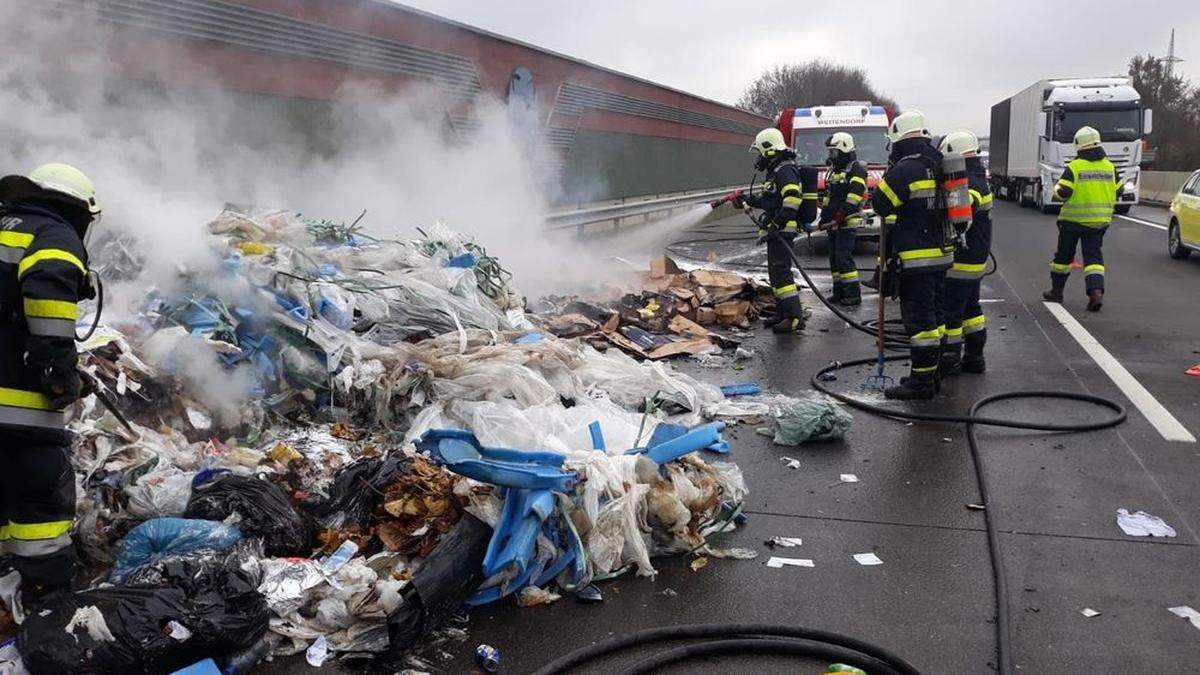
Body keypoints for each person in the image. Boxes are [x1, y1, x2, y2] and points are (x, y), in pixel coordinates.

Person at [0, 163, 100, 596]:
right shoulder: (54, 236)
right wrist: (58, 372)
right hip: (17, 415)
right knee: (41, 504)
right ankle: (47, 601)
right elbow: (47, 292)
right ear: (79, 212)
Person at [870, 111, 953, 400]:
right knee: (938, 317)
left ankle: (921, 384)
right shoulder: (940, 164)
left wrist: (891, 173)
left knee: (920, 324)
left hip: (917, 259)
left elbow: (881, 204)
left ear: (898, 140)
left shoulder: (906, 170)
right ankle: (933, 373)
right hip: (942, 256)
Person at [739, 128, 819, 333]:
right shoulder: (776, 171)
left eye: (760, 152)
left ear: (769, 150)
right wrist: (749, 200)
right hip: (777, 230)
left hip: (783, 230)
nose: (759, 157)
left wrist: (776, 224)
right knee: (775, 274)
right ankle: (782, 313)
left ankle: (794, 318)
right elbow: (771, 201)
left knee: (782, 275)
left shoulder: (785, 170)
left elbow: (792, 199)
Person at [1042, 125, 1124, 311]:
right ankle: (1095, 293)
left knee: (1063, 257)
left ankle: (1057, 292)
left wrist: (1056, 193)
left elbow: (1063, 192)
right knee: (1093, 258)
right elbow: (1119, 190)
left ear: (1078, 145)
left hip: (1072, 221)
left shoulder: (1075, 167)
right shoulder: (1110, 167)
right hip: (1099, 222)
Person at [938, 131, 991, 375]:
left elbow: (961, 211)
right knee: (971, 310)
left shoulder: (969, 181)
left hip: (962, 257)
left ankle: (949, 359)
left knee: (951, 311)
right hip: (977, 255)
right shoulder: (980, 176)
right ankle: (974, 357)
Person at [818, 132, 865, 306]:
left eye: (834, 152)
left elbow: (854, 196)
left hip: (847, 222)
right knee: (834, 258)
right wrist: (824, 218)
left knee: (843, 257)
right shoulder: (834, 172)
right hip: (833, 223)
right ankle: (839, 291)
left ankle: (853, 294)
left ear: (844, 149)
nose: (831, 156)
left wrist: (841, 214)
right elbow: (829, 198)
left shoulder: (856, 169)